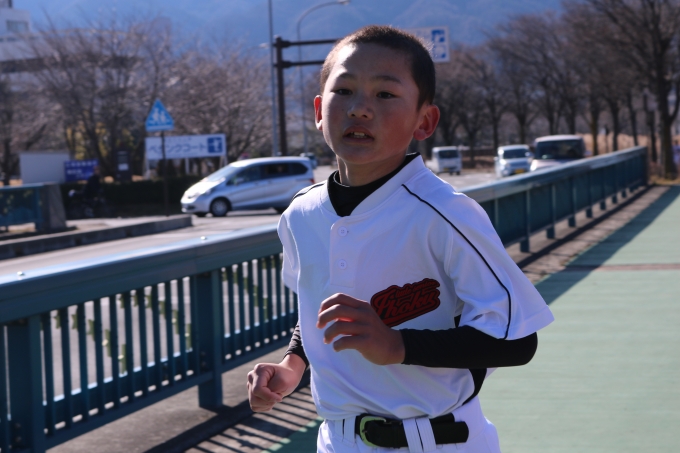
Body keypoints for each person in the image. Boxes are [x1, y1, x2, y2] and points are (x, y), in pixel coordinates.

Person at [247, 25, 554, 453]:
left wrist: (398, 345)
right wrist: (292, 364)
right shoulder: (301, 213)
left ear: (424, 121)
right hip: (335, 440)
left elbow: (517, 340)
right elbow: (314, 305)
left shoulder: (446, 213)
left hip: (437, 439)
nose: (360, 108)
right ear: (319, 110)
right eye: (344, 91)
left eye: (385, 94)